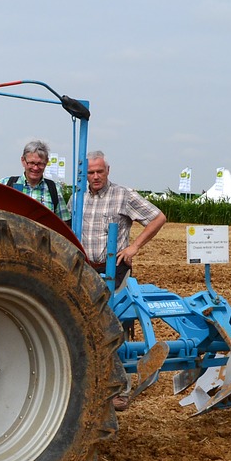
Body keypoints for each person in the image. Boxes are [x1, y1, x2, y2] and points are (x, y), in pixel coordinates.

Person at [81, 149, 165, 412]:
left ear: (108, 171)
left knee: (115, 328)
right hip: (86, 271)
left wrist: (134, 248)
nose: (95, 176)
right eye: (91, 172)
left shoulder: (123, 195)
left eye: (99, 171)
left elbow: (158, 217)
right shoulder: (78, 197)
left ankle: (120, 389)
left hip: (115, 272)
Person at [0, 139, 70, 222]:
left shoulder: (54, 189)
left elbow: (64, 223)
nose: (35, 168)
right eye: (31, 163)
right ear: (23, 161)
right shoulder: (6, 184)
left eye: (40, 164)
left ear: (46, 163)